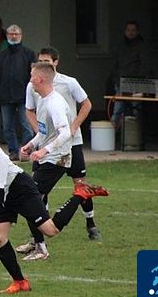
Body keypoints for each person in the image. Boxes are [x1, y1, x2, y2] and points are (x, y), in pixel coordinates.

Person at [0, 111, 108, 294]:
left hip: (17, 186)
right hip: (3, 194)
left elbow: (2, 159)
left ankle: (80, 194)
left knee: (50, 230)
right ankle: (20, 282)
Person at [22, 47, 100, 245]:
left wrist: (73, 127)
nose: (43, 64)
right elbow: (29, 111)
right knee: (38, 191)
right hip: (47, 146)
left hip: (67, 145)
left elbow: (86, 104)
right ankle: (39, 236)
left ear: (55, 62)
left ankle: (90, 224)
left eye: (46, 61)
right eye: (40, 61)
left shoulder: (67, 84)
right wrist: (38, 138)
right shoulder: (34, 86)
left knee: (78, 183)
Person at [16, 62, 80, 261]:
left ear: (40, 79)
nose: (30, 79)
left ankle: (41, 249)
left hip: (57, 159)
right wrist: (31, 145)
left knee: (29, 198)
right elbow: (44, 132)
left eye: (32, 76)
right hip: (49, 158)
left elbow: (65, 133)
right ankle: (38, 245)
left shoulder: (55, 103)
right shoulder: (43, 99)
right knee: (32, 199)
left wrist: (44, 150)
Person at [0, 24, 36, 160]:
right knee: (7, 127)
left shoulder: (29, 54)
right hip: (5, 97)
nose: (14, 36)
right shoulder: (1, 56)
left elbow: (34, 75)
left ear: (21, 36)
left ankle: (25, 151)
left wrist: (31, 92)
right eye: (11, 34)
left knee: (27, 125)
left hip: (24, 97)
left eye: (16, 34)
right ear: (7, 36)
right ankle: (13, 152)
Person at [107, 20, 152, 128]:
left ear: (137, 32)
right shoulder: (120, 47)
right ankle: (112, 134)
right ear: (125, 31)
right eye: (128, 30)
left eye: (133, 30)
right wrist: (115, 79)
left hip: (136, 84)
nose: (130, 32)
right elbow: (114, 64)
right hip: (120, 82)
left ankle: (136, 133)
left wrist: (140, 79)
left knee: (136, 110)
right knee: (117, 110)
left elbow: (145, 65)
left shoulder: (142, 47)